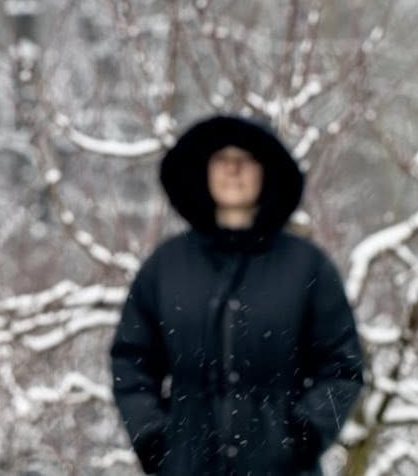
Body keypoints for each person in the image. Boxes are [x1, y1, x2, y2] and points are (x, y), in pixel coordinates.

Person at [111, 114, 366, 475]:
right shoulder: (166, 267)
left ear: (266, 172)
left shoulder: (306, 267)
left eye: (245, 160)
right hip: (186, 465)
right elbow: (131, 361)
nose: (233, 171)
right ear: (204, 170)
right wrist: (153, 438)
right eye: (221, 160)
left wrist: (304, 435)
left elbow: (342, 366)